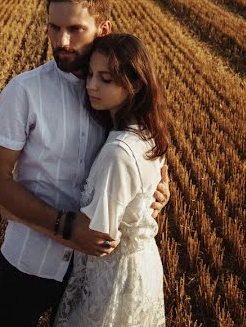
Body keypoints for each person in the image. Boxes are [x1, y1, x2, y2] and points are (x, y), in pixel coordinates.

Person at [0, 0, 170, 326]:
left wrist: (160, 187)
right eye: (54, 28)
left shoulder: (117, 93)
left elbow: (146, 144)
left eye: (75, 29)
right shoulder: (24, 91)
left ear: (104, 28)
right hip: (31, 261)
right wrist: (67, 227)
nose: (61, 42)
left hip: (95, 271)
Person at [52, 33, 169, 326]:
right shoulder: (147, 132)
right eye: (90, 74)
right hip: (142, 268)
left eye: (105, 79)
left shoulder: (118, 151)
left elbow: (99, 237)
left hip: (113, 278)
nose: (90, 85)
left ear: (134, 84)